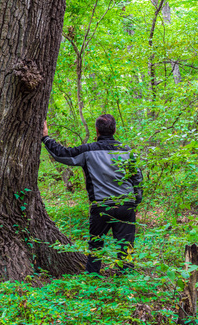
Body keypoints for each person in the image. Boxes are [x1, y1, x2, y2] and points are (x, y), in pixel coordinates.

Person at [41, 114, 143, 274]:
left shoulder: (88, 150)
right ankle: (126, 280)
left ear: (96, 130)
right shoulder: (126, 151)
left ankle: (92, 279)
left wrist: (45, 137)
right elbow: (137, 179)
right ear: (114, 129)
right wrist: (136, 202)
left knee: (95, 246)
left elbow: (62, 154)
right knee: (126, 246)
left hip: (101, 207)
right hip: (126, 205)